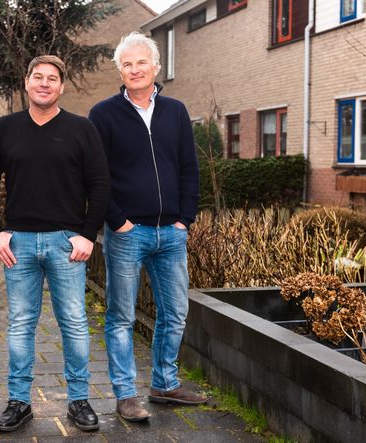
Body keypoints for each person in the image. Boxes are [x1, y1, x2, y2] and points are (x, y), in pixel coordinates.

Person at [0, 55, 110, 433]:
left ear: (61, 87)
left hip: (66, 242)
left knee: (75, 322)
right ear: (27, 82)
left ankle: (79, 400)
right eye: (38, 77)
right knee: (20, 324)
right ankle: (19, 402)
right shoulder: (6, 128)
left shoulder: (82, 129)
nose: (45, 83)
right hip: (17, 243)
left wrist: (87, 234)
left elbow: (100, 184)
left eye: (53, 78)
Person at [88, 32, 205, 422]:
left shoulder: (175, 111)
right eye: (127, 64)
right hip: (128, 232)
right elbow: (95, 176)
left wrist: (184, 219)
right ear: (119, 71)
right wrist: (117, 221)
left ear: (156, 67)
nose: (135, 69)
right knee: (121, 316)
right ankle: (126, 395)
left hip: (171, 233)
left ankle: (165, 384)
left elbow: (189, 168)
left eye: (142, 62)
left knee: (176, 312)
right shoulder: (103, 114)